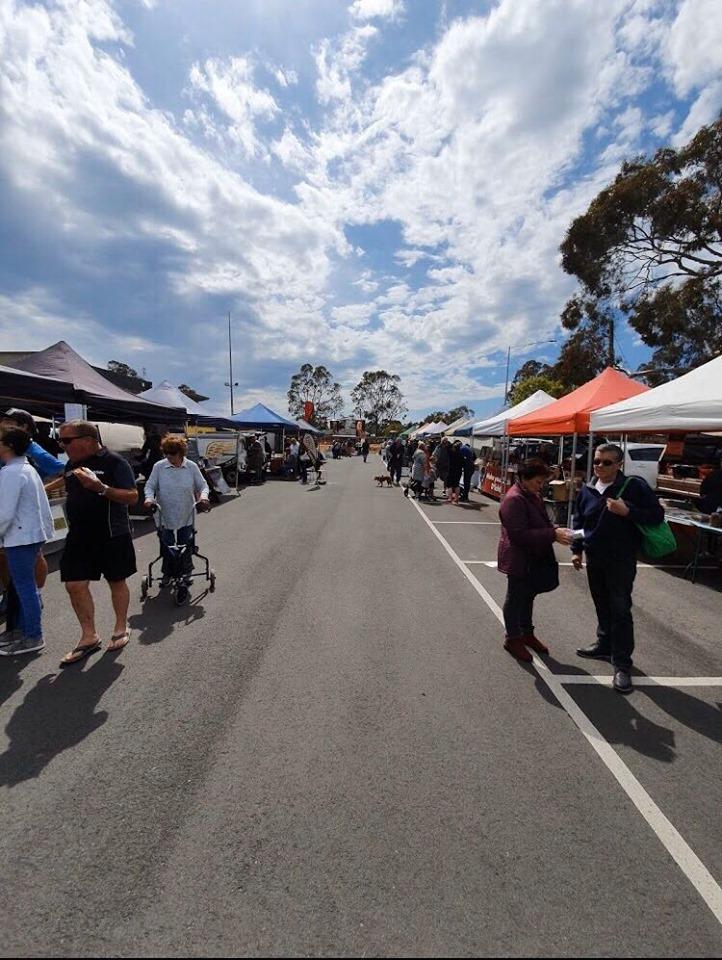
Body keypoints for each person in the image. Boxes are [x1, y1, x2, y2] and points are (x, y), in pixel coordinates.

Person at [572, 443, 664, 694]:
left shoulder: (633, 486)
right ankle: (604, 644)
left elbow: (657, 515)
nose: (599, 466)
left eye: (606, 463)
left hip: (621, 559)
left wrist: (628, 511)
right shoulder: (588, 489)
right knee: (601, 603)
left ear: (619, 464)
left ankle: (622, 664)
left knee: (620, 609)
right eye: (597, 461)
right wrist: (576, 550)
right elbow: (579, 520)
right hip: (595, 557)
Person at [57, 420, 139, 666]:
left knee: (116, 580)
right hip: (80, 535)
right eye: (61, 440)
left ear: (88, 440)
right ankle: (89, 636)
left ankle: (121, 626)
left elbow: (132, 496)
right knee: (74, 584)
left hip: (112, 533)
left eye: (67, 440)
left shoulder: (115, 462)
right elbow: (65, 484)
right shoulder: (72, 464)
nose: (62, 445)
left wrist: (100, 488)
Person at [498, 458, 573, 662]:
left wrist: (555, 529)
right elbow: (518, 535)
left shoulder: (531, 495)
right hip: (519, 558)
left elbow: (542, 521)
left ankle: (526, 632)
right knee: (515, 598)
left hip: (534, 556)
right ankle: (513, 638)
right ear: (524, 478)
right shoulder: (514, 499)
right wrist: (552, 535)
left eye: (542, 482)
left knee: (528, 595)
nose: (541, 486)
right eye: (538, 482)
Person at [0, 409, 64, 633]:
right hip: (10, 517)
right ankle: (18, 599)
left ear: (25, 428)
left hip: (17, 521)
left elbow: (64, 471)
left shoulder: (26, 451)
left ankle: (29, 607)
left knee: (28, 569)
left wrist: (41, 490)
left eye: (11, 422)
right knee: (10, 567)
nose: (5, 424)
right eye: (4, 420)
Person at [144, 434, 210, 592]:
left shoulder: (191, 467)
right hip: (164, 514)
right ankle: (167, 573)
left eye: (172, 454)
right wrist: (148, 498)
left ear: (181, 453)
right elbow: (150, 486)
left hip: (185, 512)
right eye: (166, 453)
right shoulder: (159, 466)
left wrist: (203, 497)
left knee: (185, 544)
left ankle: (186, 573)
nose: (168, 457)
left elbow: (203, 486)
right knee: (167, 545)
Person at [446, 439, 464, 504]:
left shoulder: (451, 453)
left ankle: (450, 498)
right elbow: (463, 463)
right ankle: (456, 499)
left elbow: (447, 447)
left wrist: (453, 444)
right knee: (457, 485)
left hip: (451, 470)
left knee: (449, 485)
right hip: (458, 471)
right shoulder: (460, 454)